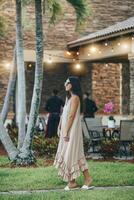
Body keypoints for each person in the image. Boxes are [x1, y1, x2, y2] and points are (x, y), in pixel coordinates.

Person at [54, 76, 92, 190]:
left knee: (70, 153)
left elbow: (71, 116)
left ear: (73, 84)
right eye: (65, 82)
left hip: (72, 131)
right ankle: (76, 181)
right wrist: (60, 127)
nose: (65, 83)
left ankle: (75, 181)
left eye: (67, 82)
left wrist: (65, 131)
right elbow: (64, 115)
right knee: (73, 153)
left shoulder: (75, 98)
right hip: (66, 130)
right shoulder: (69, 98)